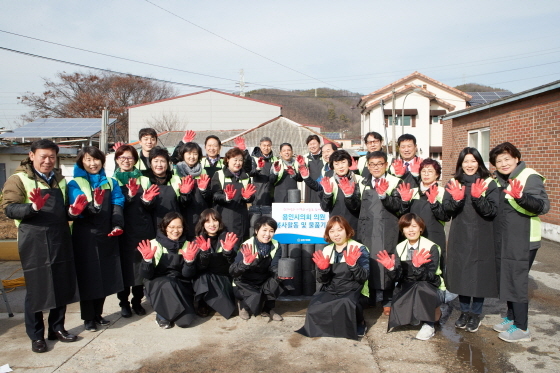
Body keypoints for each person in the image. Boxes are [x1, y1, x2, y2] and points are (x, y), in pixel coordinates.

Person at [2, 139, 83, 353]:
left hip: (59, 238)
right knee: (36, 290)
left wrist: (73, 212)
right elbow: (9, 208)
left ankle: (57, 328)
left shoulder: (60, 180)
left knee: (61, 285)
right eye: (43, 157)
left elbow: (63, 209)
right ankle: (36, 335)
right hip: (33, 240)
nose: (47, 161)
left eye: (51, 157)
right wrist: (31, 207)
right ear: (31, 156)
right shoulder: (18, 179)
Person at [489, 142, 549, 342]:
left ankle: (522, 328)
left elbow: (542, 206)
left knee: (517, 280)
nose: (504, 163)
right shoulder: (500, 180)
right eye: (499, 161)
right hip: (507, 239)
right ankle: (512, 318)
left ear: (516, 158)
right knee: (508, 278)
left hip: (524, 239)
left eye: (507, 158)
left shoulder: (529, 176)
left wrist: (521, 197)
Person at [68, 146, 125, 332]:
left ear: (102, 161)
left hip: (106, 234)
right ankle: (88, 318)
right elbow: (79, 205)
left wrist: (117, 225)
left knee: (105, 276)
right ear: (81, 162)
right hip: (85, 236)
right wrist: (95, 206)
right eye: (88, 160)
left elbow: (117, 203)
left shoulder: (110, 182)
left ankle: (99, 314)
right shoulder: (75, 183)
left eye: (96, 159)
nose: (93, 163)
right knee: (88, 277)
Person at [443, 147, 499, 333]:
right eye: (465, 161)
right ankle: (464, 311)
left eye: (473, 161)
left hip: (482, 235)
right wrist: (457, 200)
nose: (469, 165)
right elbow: (446, 210)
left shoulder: (489, 183)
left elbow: (492, 211)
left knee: (479, 275)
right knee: (463, 274)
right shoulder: (454, 182)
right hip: (460, 234)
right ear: (460, 164)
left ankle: (475, 314)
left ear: (479, 162)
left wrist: (477, 198)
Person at [297, 215, 369, 340]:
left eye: (339, 229)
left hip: (354, 289)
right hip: (332, 288)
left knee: (346, 302)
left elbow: (364, 277)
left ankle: (360, 322)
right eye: (332, 231)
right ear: (328, 234)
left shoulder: (359, 249)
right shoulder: (327, 250)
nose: (336, 234)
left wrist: (353, 265)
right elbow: (322, 280)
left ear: (347, 230)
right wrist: (323, 270)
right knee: (314, 306)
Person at [376, 213, 445, 341]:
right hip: (408, 285)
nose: (411, 230)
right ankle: (414, 315)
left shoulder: (431, 247)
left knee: (421, 287)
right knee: (400, 292)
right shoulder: (400, 247)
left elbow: (430, 276)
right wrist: (391, 268)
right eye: (407, 227)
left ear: (421, 228)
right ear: (402, 230)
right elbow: (398, 277)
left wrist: (418, 267)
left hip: (430, 286)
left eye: (414, 226)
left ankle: (429, 324)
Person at [113, 144, 158, 318]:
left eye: (129, 158)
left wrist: (146, 200)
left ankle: (137, 301)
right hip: (123, 231)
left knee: (140, 268)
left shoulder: (144, 180)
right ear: (117, 160)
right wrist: (130, 197)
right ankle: (123, 302)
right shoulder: (113, 180)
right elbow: (114, 207)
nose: (126, 161)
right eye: (122, 158)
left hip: (142, 230)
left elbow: (152, 205)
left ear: (135, 160)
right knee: (125, 269)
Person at [137, 212, 199, 329]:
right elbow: (146, 275)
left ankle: (174, 311)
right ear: (164, 227)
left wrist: (189, 262)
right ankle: (162, 315)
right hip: (157, 284)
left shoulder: (188, 245)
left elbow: (188, 275)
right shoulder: (153, 244)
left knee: (185, 322)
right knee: (167, 283)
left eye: (179, 227)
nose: (175, 231)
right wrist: (147, 261)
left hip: (180, 284)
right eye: (171, 227)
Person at [229, 216, 288, 321]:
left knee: (280, 280)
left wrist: (280, 274)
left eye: (271, 231)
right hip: (244, 281)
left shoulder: (276, 245)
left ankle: (268, 309)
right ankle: (243, 306)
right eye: (264, 230)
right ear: (256, 230)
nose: (267, 234)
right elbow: (233, 270)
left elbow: (274, 266)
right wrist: (245, 263)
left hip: (262, 278)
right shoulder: (247, 245)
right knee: (251, 293)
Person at [399, 159, 449, 271]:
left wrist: (434, 203)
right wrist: (405, 202)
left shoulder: (442, 192)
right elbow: (403, 215)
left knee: (433, 269)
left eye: (430, 171)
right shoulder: (412, 192)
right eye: (423, 171)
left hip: (433, 235)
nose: (426, 174)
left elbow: (446, 216)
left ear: (437, 175)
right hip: (412, 237)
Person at [192, 209, 239, 318]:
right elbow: (197, 268)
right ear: (203, 224)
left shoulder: (229, 238)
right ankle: (202, 304)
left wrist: (228, 252)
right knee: (203, 277)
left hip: (223, 277)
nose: (212, 224)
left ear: (220, 222)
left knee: (229, 310)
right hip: (205, 278)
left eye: (215, 220)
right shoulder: (197, 241)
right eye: (207, 221)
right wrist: (204, 254)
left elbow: (235, 264)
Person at [211, 147, 256, 241]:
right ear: (227, 160)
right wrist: (226, 197)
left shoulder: (246, 176)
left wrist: (247, 198)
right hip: (224, 215)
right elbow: (215, 195)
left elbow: (251, 195)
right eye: (235, 160)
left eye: (240, 160)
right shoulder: (219, 174)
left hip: (241, 216)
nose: (238, 163)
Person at [145, 146, 190, 231]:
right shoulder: (145, 179)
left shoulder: (175, 179)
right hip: (151, 225)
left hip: (173, 227)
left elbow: (183, 204)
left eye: (162, 161)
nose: (159, 165)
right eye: (156, 161)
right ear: (150, 163)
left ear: (168, 163)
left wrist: (185, 194)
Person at [174, 141, 212, 239]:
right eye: (189, 153)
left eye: (195, 154)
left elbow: (209, 198)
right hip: (182, 215)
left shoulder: (203, 172)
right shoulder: (175, 171)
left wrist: (204, 190)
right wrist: (184, 194)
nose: (192, 157)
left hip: (200, 216)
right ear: (183, 155)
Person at [318, 150, 363, 231]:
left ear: (349, 163)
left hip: (355, 226)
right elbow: (325, 208)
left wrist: (349, 195)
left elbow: (360, 207)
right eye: (336, 164)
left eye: (343, 162)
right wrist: (327, 194)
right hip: (336, 228)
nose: (340, 166)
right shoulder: (329, 182)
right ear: (332, 166)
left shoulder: (359, 180)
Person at [249, 136, 278, 208]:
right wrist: (258, 168)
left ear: (271, 146)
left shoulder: (275, 159)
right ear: (260, 146)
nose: (266, 148)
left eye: (268, 145)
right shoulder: (254, 158)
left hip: (271, 191)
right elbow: (251, 173)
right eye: (264, 145)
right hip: (258, 191)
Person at [302, 134, 324, 203]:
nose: (312, 146)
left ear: (319, 143)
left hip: (324, 187)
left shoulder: (325, 156)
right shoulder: (305, 158)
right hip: (310, 189)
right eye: (310, 144)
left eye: (314, 143)